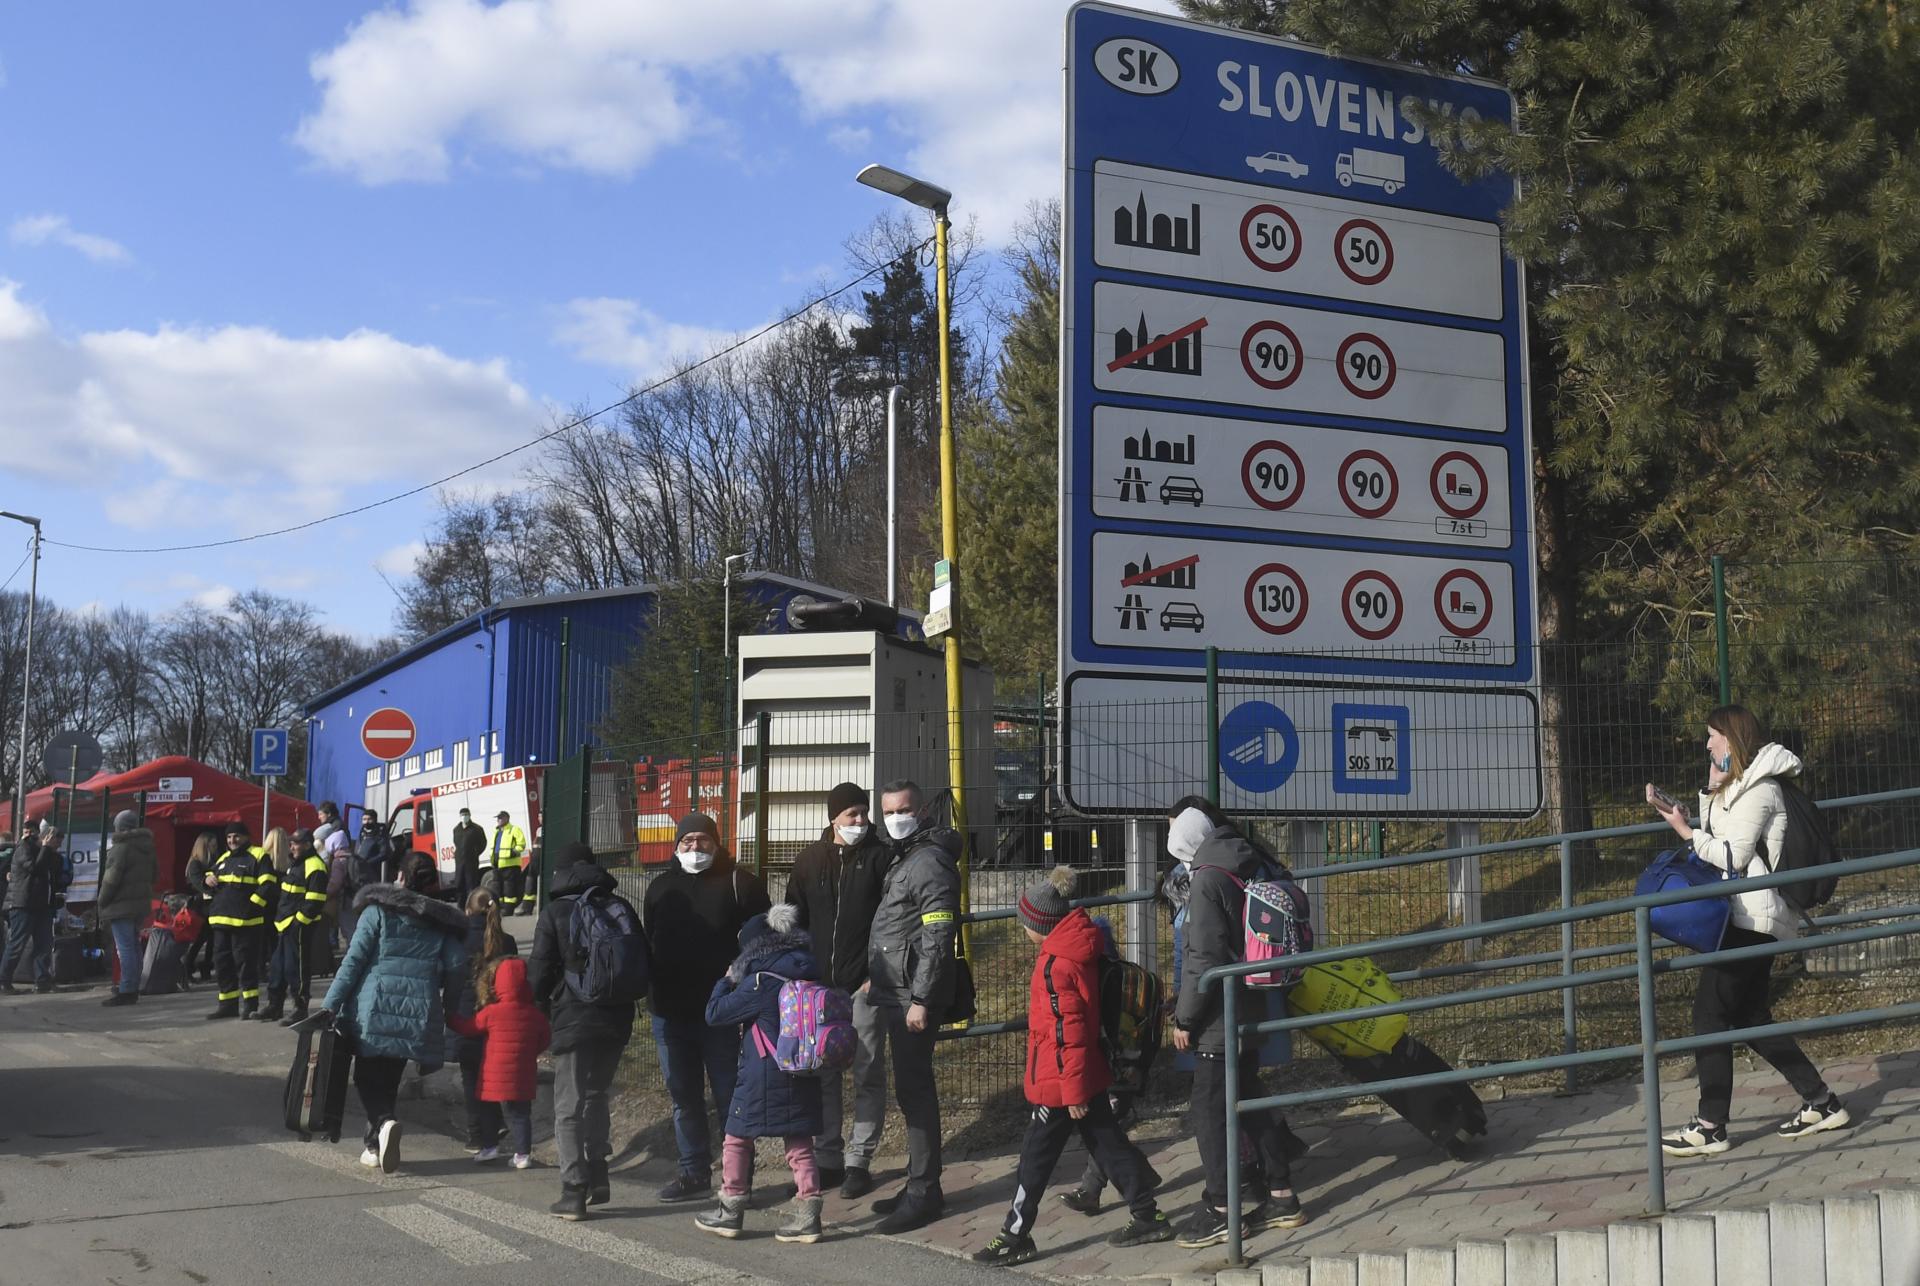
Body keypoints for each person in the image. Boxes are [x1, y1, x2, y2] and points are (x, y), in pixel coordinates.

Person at [1650, 704, 1850, 1156]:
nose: (1707, 745)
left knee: (1709, 1016)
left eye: (1712, 736)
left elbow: (1733, 858)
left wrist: (1684, 831)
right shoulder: (1741, 785)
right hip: (1748, 917)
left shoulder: (1760, 789)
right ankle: (1822, 1101)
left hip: (1753, 921)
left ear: (1732, 740)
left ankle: (1710, 1125)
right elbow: (1722, 842)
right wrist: (1707, 793)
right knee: (1751, 1017)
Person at [972, 867, 1172, 1266]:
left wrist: (1073, 1091)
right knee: (1106, 1143)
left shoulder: (1054, 966)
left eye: (1025, 923)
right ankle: (1148, 1212)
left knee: (1034, 1158)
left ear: (1039, 925)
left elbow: (1068, 1032)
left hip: (1061, 1082)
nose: (1023, 930)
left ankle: (1015, 1235)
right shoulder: (1078, 948)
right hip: (1084, 1071)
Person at [1168, 802, 1307, 1247]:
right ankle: (1282, 1194)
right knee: (1248, 1095)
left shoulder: (1206, 878)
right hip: (1248, 1002)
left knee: (1208, 1112)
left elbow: (1202, 958)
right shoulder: (1240, 863)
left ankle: (1220, 1208)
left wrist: (1184, 1017)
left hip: (1216, 1017)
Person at [642, 813, 771, 1205]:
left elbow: (764, 942)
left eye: (701, 840)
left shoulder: (741, 884)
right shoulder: (661, 888)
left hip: (722, 1013)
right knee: (683, 1096)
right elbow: (651, 939)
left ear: (717, 843)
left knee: (731, 1093)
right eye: (687, 841)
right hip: (669, 1011)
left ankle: (739, 1176)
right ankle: (693, 1171)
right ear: (676, 846)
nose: (694, 848)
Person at [318, 851, 470, 1174]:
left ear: (400, 877)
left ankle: (384, 1124)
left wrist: (329, 1004)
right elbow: (458, 965)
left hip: (373, 1008)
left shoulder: (377, 913)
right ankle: (375, 1144)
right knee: (388, 1077)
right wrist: (449, 1006)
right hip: (418, 1011)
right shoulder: (440, 922)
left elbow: (353, 961)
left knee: (364, 1075)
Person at [694, 904, 829, 1244]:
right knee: (799, 1142)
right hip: (802, 1067)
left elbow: (714, 1014)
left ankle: (730, 1210)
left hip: (762, 1072)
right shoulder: (808, 971)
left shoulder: (760, 981)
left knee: (737, 1137)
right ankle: (808, 1216)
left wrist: (725, 981)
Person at [781, 780, 890, 1194]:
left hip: (865, 985)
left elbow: (889, 922)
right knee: (824, 1073)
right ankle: (827, 1156)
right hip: (819, 991)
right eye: (852, 814)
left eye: (864, 813)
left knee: (867, 1070)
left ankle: (859, 1161)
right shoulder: (809, 861)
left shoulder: (880, 858)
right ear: (833, 818)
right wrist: (800, 973)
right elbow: (794, 918)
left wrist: (873, 975)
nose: (861, 821)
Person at [865, 780, 962, 1234]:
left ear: (921, 811)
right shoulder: (909, 855)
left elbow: (938, 935)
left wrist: (922, 998)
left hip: (913, 998)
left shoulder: (929, 861)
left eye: (902, 809)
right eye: (887, 811)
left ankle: (924, 1194)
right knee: (908, 1092)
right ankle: (919, 1183)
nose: (895, 817)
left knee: (916, 1093)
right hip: (896, 991)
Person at [531, 841, 641, 1221]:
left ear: (561, 871)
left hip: (574, 1017)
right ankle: (599, 1173)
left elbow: (540, 972)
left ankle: (573, 1189)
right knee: (597, 1095)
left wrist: (539, 1008)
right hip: (617, 1018)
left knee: (568, 1106)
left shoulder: (556, 911)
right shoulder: (619, 906)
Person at [449, 954, 551, 1170]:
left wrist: (450, 1019)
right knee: (521, 1114)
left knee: (487, 1109)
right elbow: (545, 1039)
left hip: (493, 1074)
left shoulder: (491, 1012)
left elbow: (469, 1028)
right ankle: (523, 1154)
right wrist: (530, 1051)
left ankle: (489, 1147)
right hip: (523, 1073)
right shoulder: (534, 1014)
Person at [454, 887, 519, 1154]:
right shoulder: (508, 941)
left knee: (471, 1076)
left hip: (468, 1013)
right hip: (501, 1016)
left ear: (468, 910)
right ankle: (496, 1122)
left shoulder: (458, 938)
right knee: (490, 1074)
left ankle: (477, 1134)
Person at [205, 822, 271, 1020]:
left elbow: (268, 885)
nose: (232, 841)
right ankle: (227, 1005)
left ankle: (250, 1006)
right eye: (228, 837)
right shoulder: (224, 858)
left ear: (246, 836)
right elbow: (210, 876)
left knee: (245, 964)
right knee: (222, 964)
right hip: (220, 921)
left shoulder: (259, 855)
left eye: (236, 836)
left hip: (246, 923)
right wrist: (207, 880)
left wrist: (251, 907)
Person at [264, 828, 329, 1023]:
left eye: (295, 843)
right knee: (278, 967)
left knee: (297, 968)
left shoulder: (315, 865)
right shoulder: (296, 864)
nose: (291, 846)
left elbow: (315, 900)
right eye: (291, 843)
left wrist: (299, 922)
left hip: (298, 926)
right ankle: (274, 1006)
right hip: (284, 924)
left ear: (307, 845)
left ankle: (300, 1008)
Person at [97, 812, 157, 1007]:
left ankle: (127, 989)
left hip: (120, 905)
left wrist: (102, 901)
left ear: (119, 827)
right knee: (134, 946)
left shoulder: (120, 848)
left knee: (125, 948)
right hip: (140, 904)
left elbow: (110, 880)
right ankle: (133, 985)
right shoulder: (147, 848)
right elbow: (155, 875)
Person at [1, 823, 65, 995]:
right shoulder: (24, 848)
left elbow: (56, 869)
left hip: (43, 905)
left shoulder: (50, 852)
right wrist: (45, 848)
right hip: (23, 903)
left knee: (44, 944)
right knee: (17, 944)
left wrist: (51, 851)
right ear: (46, 838)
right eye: (56, 842)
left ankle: (42, 981)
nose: (58, 846)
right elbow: (35, 868)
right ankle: (3, 981)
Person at [180, 832, 221, 982]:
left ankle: (205, 967)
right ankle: (188, 966)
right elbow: (199, 884)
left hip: (211, 906)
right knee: (200, 939)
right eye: (213, 844)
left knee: (211, 938)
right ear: (205, 845)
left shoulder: (215, 861)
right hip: (200, 907)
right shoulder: (195, 864)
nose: (215, 847)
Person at [490, 811, 530, 914]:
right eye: (497, 818)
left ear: (507, 818)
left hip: (510, 864)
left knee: (509, 888)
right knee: (497, 888)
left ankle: (508, 910)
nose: (498, 820)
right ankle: (498, 909)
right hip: (497, 865)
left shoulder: (514, 829)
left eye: (500, 818)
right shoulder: (496, 832)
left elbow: (521, 844)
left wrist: (513, 852)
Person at [451, 807, 488, 903]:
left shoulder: (477, 829)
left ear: (469, 815)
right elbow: (456, 843)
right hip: (459, 862)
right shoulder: (456, 829)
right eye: (462, 815)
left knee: (471, 885)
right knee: (459, 884)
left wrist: (475, 853)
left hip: (471, 861)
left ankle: (473, 906)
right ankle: (461, 906)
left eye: (466, 815)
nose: (464, 817)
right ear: (460, 816)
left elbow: (483, 843)